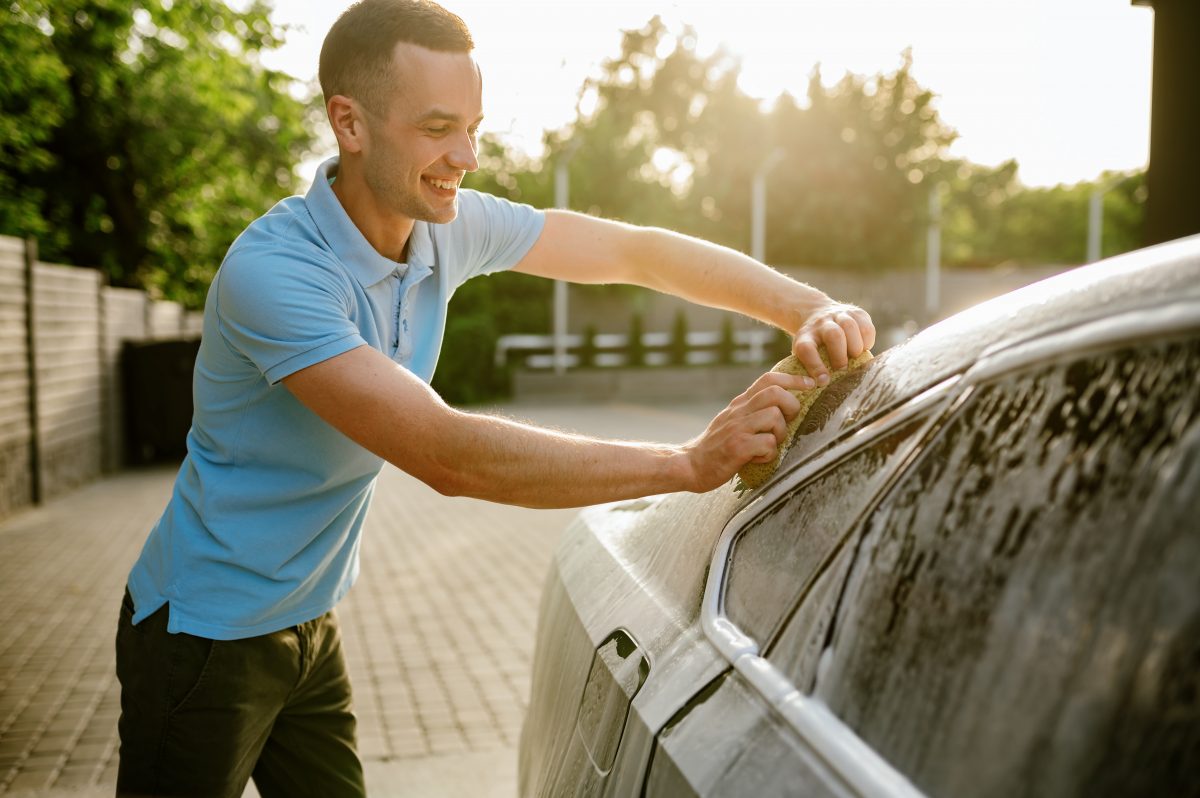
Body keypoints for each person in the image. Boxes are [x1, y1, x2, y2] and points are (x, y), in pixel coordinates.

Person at [113, 0, 876, 795]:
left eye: (474, 126)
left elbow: (632, 251)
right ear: (349, 122)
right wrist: (689, 463)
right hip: (203, 634)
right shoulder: (277, 275)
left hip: (309, 620)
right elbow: (449, 455)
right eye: (439, 127)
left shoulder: (442, 224)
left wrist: (805, 308)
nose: (467, 155)